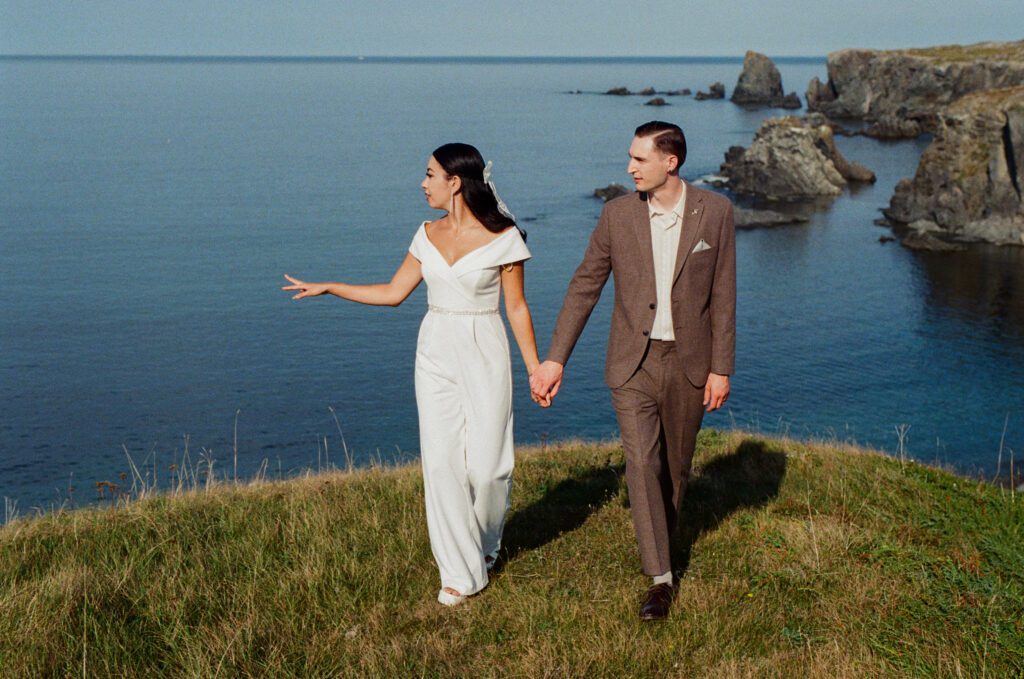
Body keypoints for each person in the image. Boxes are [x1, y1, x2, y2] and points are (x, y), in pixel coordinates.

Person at [283, 143, 542, 607]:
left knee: (488, 469)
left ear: (455, 182)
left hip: (485, 348)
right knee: (441, 464)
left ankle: (483, 547)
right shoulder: (425, 234)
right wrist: (330, 287)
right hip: (436, 349)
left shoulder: (505, 238)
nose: (423, 184)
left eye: (430, 175)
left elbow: (517, 308)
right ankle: (458, 575)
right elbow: (393, 292)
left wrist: (535, 370)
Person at [530, 121, 736, 621]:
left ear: (671, 162)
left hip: (690, 362)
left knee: (676, 468)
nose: (629, 168)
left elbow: (724, 293)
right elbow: (585, 286)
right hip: (632, 363)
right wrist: (555, 358)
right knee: (642, 463)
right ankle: (661, 579)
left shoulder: (717, 212)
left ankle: (663, 539)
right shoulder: (616, 215)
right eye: (630, 157)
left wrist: (721, 367)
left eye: (639, 159)